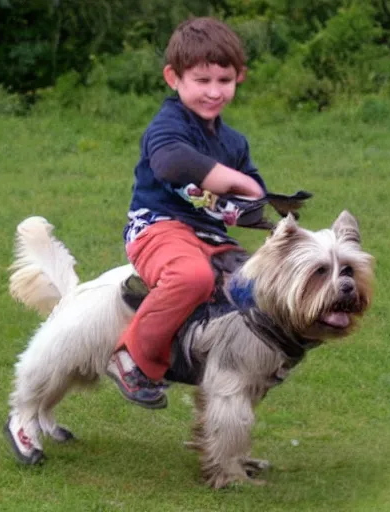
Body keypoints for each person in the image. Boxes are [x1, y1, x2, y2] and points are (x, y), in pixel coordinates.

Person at [106, 16, 267, 409]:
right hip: (158, 229)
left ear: (238, 78)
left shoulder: (233, 141)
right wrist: (238, 182)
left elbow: (252, 195)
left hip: (211, 238)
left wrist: (256, 207)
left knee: (259, 288)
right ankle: (128, 357)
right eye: (201, 80)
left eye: (224, 81)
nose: (214, 92)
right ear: (173, 77)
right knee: (192, 277)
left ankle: (219, 369)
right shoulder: (167, 126)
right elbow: (172, 163)